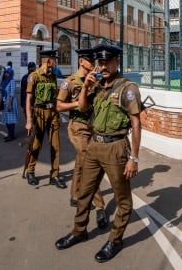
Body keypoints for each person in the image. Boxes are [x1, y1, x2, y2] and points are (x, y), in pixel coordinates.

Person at [55, 44, 142, 263]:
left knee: (122, 198)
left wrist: (134, 158)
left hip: (116, 147)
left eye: (106, 62)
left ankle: (115, 239)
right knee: (85, 192)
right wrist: (85, 87)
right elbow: (83, 108)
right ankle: (79, 231)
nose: (102, 66)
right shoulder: (96, 85)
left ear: (116, 63)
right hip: (94, 144)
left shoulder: (127, 88)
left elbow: (136, 122)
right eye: (99, 62)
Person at [56, 48, 108, 229]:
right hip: (78, 127)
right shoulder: (69, 82)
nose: (92, 63)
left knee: (81, 162)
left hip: (92, 126)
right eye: (89, 60)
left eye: (94, 61)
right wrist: (77, 103)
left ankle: (75, 195)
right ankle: (100, 206)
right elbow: (59, 106)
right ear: (81, 61)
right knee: (90, 165)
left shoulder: (95, 80)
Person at [23, 50, 66, 189]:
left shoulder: (53, 76)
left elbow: (55, 96)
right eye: (54, 59)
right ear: (48, 61)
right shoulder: (34, 76)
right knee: (36, 145)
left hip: (52, 113)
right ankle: (30, 171)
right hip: (38, 113)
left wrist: (57, 114)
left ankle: (54, 175)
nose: (55, 62)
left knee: (56, 146)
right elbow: (28, 99)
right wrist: (29, 120)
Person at [0, 68, 18, 141]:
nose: (6, 74)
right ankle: (10, 134)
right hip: (5, 101)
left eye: (7, 73)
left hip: (11, 101)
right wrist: (0, 104)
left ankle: (11, 135)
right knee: (7, 119)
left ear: (11, 73)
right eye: (5, 73)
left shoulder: (12, 81)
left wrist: (10, 104)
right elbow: (2, 93)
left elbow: (12, 94)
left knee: (11, 120)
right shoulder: (4, 81)